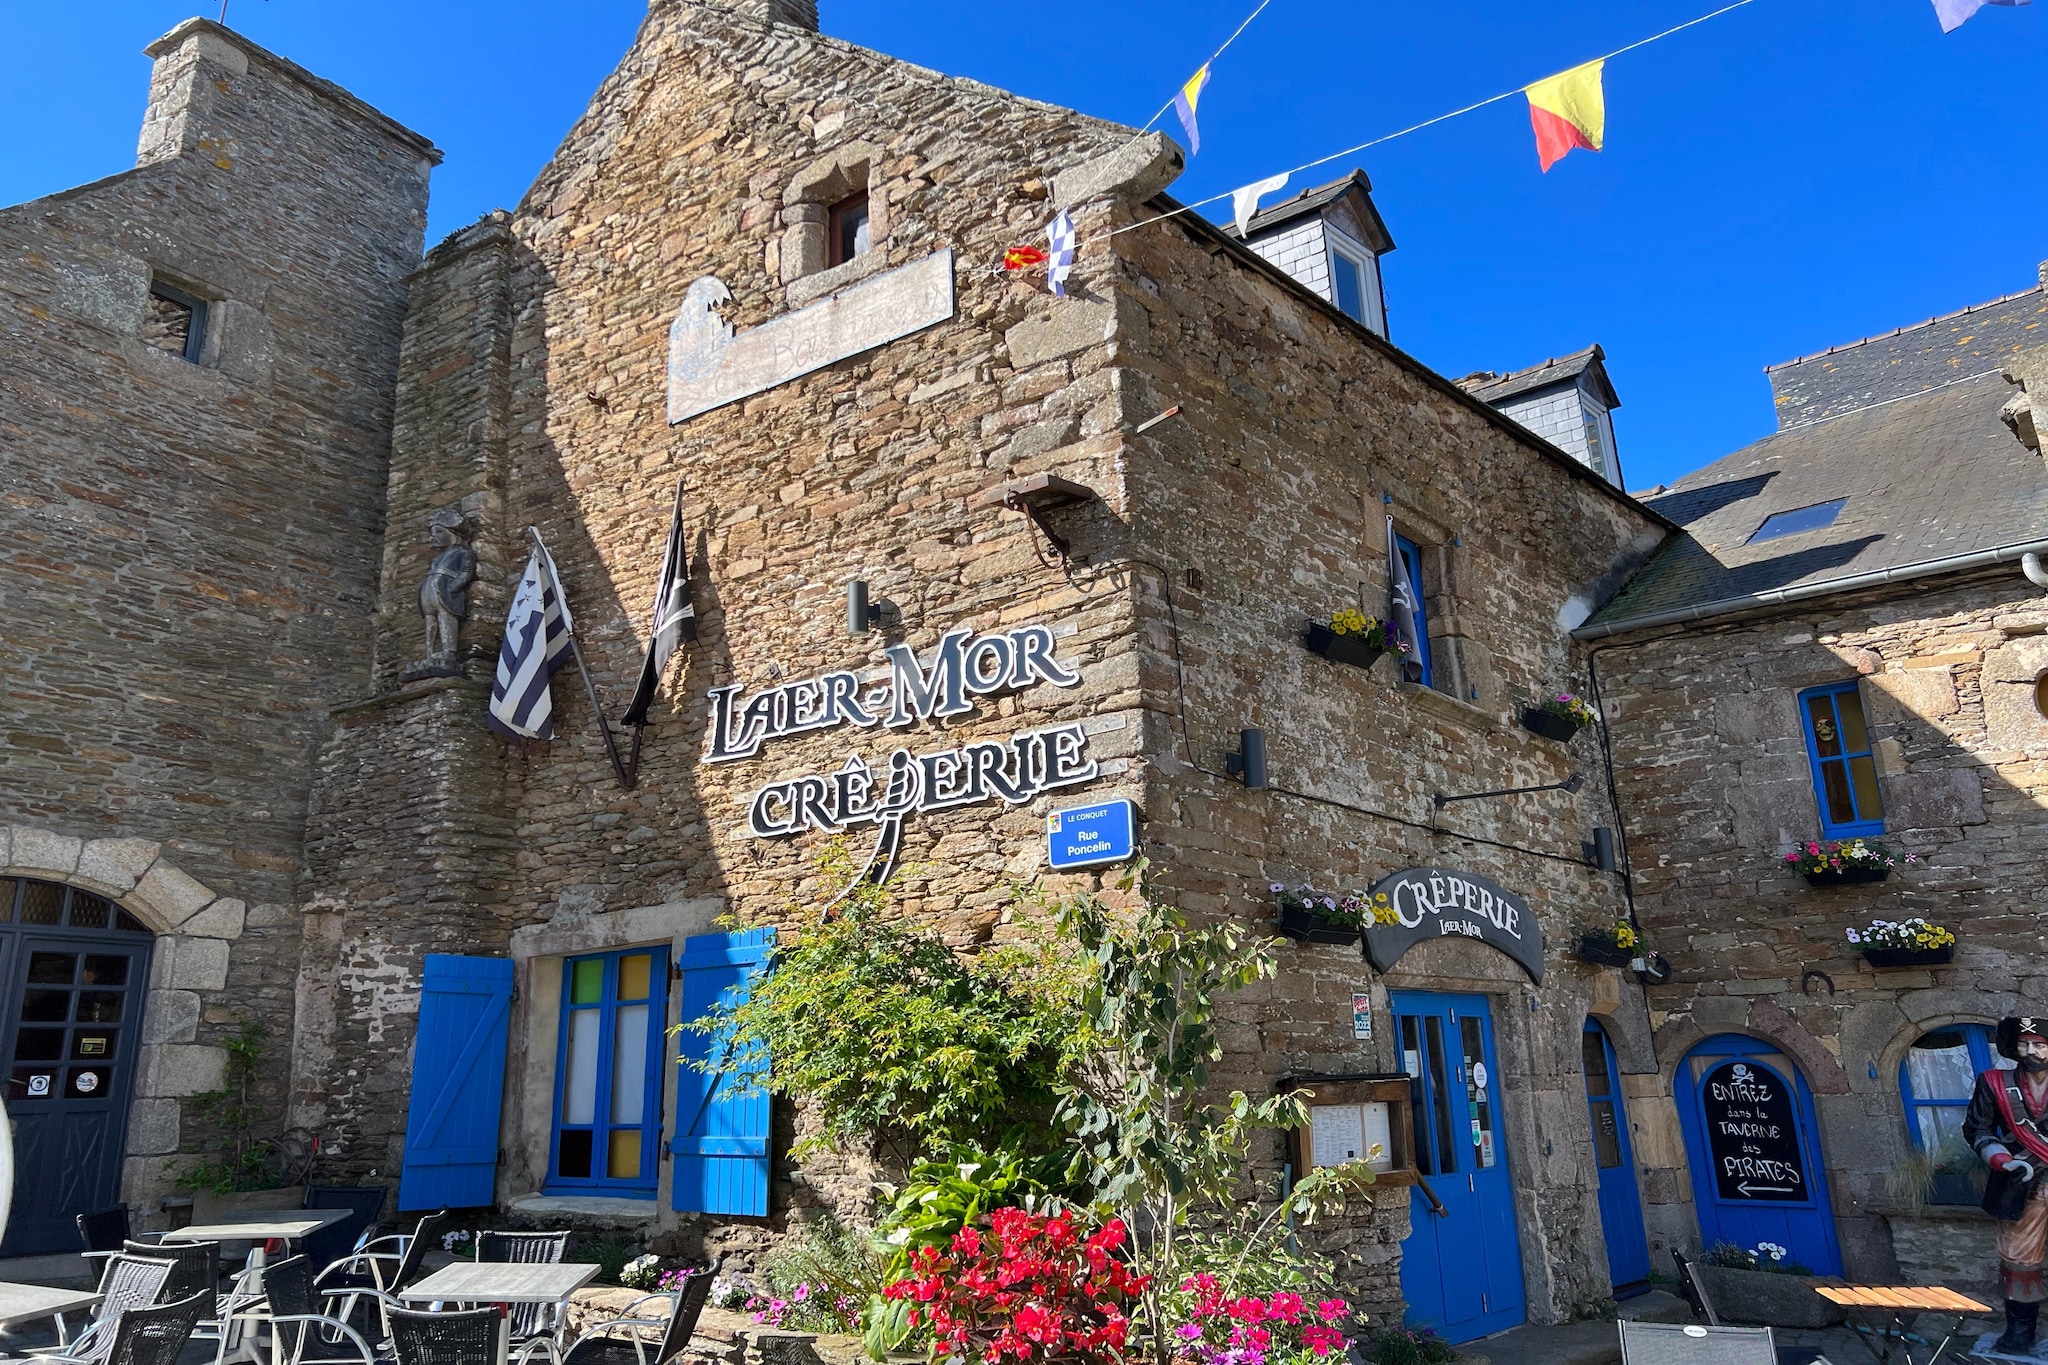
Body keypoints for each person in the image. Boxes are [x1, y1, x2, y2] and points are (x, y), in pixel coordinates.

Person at [1966, 1016, 2048, 1354]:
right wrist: (2001, 1158)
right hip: (2020, 1182)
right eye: (2024, 1044)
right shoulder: (1993, 1082)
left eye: (2040, 1044)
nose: (2031, 1051)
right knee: (2018, 1261)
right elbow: (1978, 1129)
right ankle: (2019, 1334)